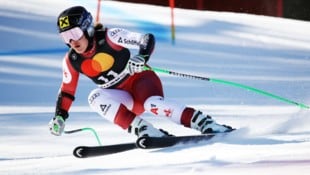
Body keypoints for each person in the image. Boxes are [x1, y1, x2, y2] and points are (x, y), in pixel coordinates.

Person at [48, 6, 234, 138]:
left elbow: (146, 39)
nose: (72, 42)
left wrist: (141, 57)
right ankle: (144, 130)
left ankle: (204, 123)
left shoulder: (110, 37)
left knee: (152, 103)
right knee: (94, 97)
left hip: (141, 82)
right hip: (123, 97)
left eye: (74, 34)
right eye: (65, 37)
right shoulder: (71, 60)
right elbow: (67, 91)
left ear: (87, 28)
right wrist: (60, 117)